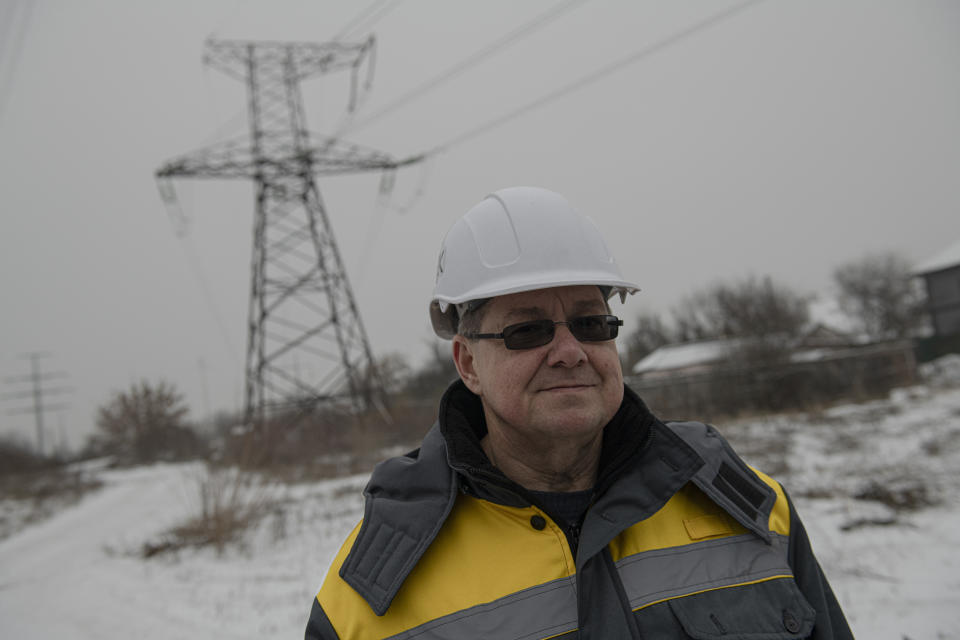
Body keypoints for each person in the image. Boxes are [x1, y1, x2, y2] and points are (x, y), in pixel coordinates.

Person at [305, 186, 852, 639]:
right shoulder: (368, 599)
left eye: (591, 324)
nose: (570, 352)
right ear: (468, 363)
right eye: (528, 330)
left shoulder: (750, 509)